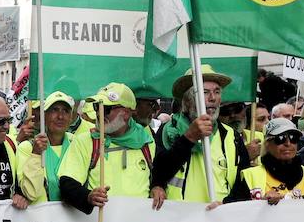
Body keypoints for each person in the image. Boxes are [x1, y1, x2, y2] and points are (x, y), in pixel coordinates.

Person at [59, 83, 155, 214]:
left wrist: (158, 187)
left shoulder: (147, 142)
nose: (99, 113)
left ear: (126, 113)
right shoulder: (85, 141)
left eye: (107, 109)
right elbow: (67, 184)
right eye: (96, 106)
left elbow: (158, 177)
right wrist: (88, 196)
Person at [153, 67, 245, 203]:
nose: (212, 98)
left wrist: (226, 204)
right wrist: (189, 138)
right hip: (178, 217)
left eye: (217, 92)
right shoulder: (168, 130)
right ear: (188, 100)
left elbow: (244, 183)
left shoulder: (232, 136)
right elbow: (157, 172)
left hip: (218, 217)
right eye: (205, 92)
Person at [220, 117, 304, 204]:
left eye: (293, 138)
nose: (288, 143)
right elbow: (234, 212)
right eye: (280, 138)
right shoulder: (249, 176)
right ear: (267, 144)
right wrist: (261, 204)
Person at [18, 91, 76, 204]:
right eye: (54, 110)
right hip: (39, 219)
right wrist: (35, 154)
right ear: (44, 115)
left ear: (71, 117)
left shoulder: (77, 143)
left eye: (65, 111)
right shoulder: (27, 147)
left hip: (73, 218)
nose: (60, 116)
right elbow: (31, 193)